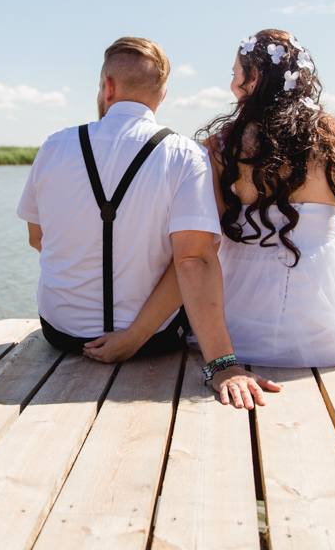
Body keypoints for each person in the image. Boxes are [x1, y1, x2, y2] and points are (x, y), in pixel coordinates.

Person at [18, 37, 280, 408]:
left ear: (108, 86)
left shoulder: (54, 146)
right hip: (155, 338)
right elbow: (195, 259)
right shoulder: (185, 155)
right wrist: (220, 364)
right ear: (162, 95)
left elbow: (37, 238)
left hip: (60, 333)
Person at [197, 28, 335, 368]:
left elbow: (206, 247)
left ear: (255, 77)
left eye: (236, 74)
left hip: (238, 328)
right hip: (330, 331)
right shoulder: (334, 144)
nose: (233, 84)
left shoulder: (221, 148)